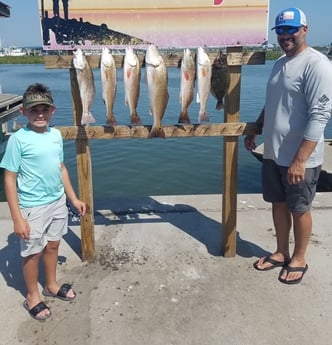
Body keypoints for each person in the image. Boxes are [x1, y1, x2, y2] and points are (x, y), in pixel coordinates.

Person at [244, 8, 332, 284]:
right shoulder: (280, 63)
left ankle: (299, 257)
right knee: (278, 204)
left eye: (291, 30)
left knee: (300, 208)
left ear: (304, 29)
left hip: (299, 157)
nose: (285, 36)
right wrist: (257, 128)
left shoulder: (316, 64)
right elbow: (272, 103)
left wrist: (300, 160)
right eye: (280, 31)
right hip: (272, 151)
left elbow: (320, 115)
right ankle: (281, 251)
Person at [0, 83, 86, 320]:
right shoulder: (18, 139)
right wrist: (17, 218)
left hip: (57, 201)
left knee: (53, 245)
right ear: (23, 112)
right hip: (33, 207)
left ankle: (51, 284)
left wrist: (73, 197)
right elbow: (9, 178)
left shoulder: (56, 135)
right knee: (32, 253)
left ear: (53, 111)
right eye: (34, 110)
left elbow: (61, 168)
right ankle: (32, 296)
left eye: (44, 110)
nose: (40, 114)